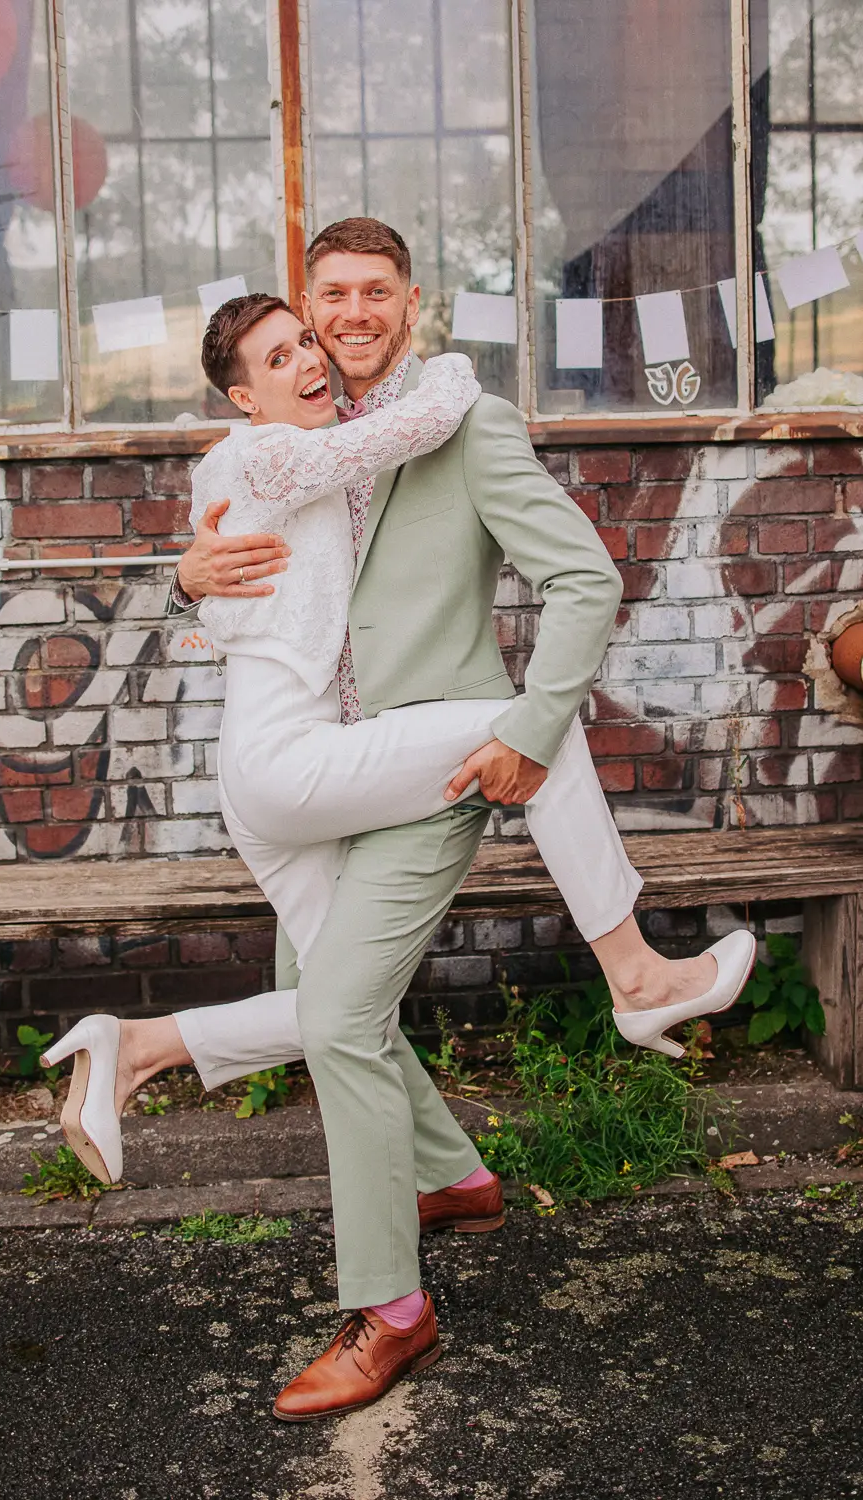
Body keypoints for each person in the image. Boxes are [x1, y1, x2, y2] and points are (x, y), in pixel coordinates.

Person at [43, 219, 756, 1422]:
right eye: (332, 296)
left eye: (377, 291)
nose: (353, 313)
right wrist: (181, 576)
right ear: (309, 316)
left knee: (345, 1022)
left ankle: (390, 1310)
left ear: (410, 305)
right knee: (340, 1014)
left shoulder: (461, 420)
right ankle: (450, 1169)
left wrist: (526, 733)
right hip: (318, 777)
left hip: (432, 771)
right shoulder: (304, 437)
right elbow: (242, 553)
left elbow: (584, 580)